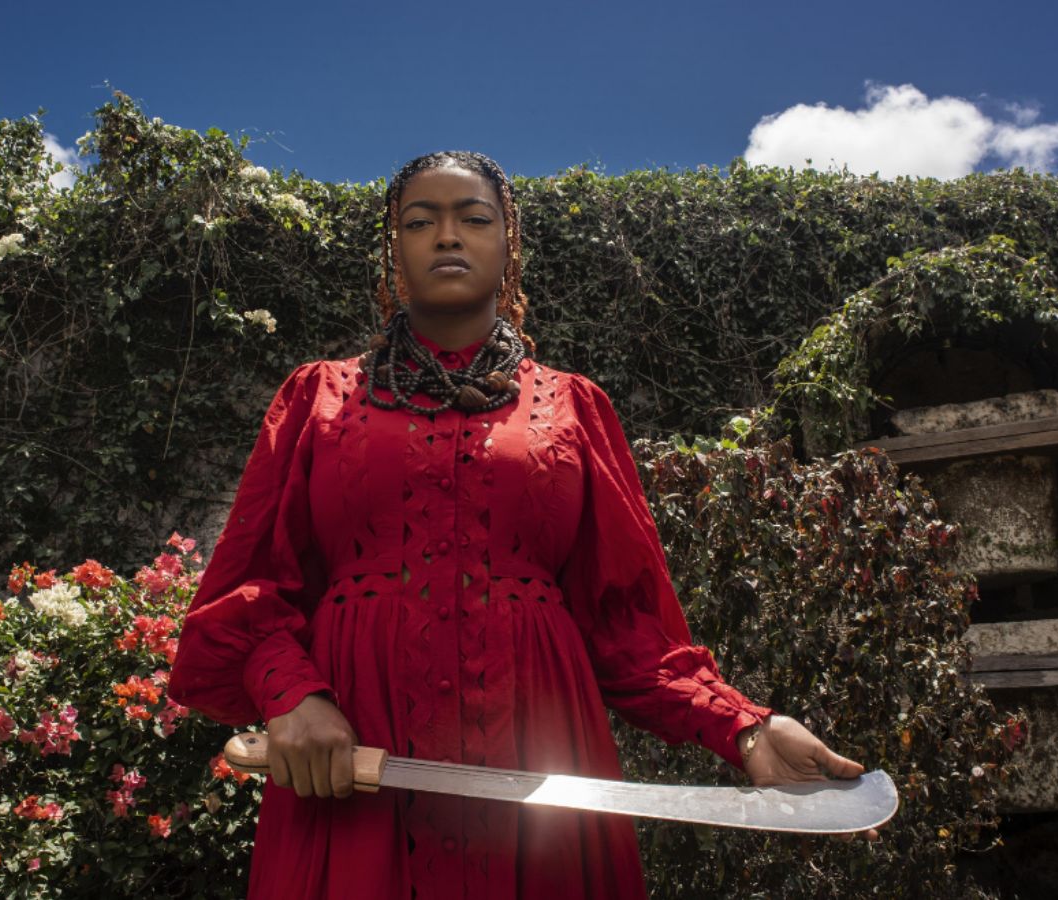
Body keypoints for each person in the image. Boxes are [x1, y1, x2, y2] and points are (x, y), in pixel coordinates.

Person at [166, 151, 869, 900]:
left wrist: (746, 728)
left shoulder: (575, 408)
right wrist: (291, 696)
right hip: (351, 772)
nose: (447, 236)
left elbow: (630, 628)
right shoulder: (319, 398)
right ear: (393, 251)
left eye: (473, 218)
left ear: (508, 246)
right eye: (419, 221)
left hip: (543, 773)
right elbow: (248, 588)